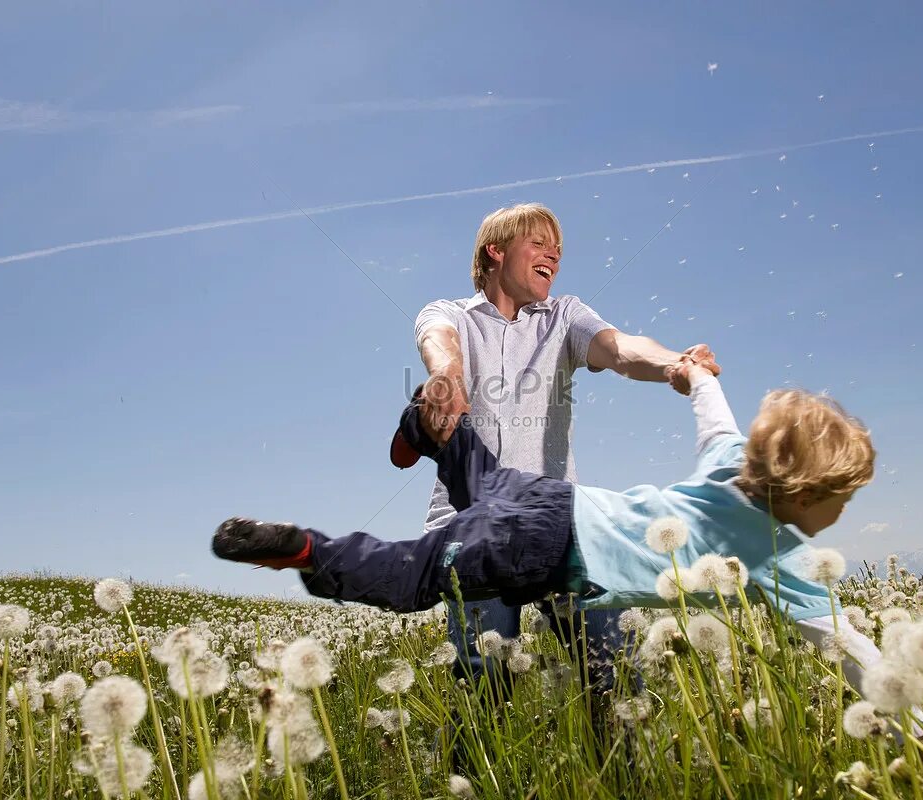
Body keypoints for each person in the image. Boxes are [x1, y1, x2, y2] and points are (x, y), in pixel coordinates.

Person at [211, 350, 883, 695]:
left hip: (552, 500)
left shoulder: (733, 463)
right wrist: (914, 714)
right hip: (544, 551)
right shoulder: (784, 559)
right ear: (801, 493)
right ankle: (304, 548)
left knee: (480, 476)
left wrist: (696, 374)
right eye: (841, 496)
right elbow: (849, 649)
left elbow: (716, 418)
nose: (845, 511)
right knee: (412, 574)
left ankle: (429, 424)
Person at [398, 203, 706, 723]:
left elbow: (621, 347)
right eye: (538, 243)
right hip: (474, 532)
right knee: (484, 688)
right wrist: (447, 372)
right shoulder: (448, 313)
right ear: (495, 251)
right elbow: (437, 340)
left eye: (557, 248)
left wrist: (674, 363)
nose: (554, 254)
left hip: (560, 527)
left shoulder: (565, 316)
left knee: (617, 674)